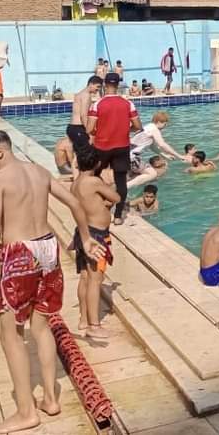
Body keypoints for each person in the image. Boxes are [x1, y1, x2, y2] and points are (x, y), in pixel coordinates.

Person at [0, 129, 98, 434]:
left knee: (10, 334)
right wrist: (85, 238)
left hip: (21, 252)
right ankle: (50, 399)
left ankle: (26, 412)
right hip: (47, 248)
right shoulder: (39, 171)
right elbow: (74, 203)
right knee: (41, 326)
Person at [71, 147, 120, 339]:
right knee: (95, 280)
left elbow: (87, 204)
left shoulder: (76, 183)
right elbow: (116, 197)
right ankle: (94, 325)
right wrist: (108, 190)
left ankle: (84, 319)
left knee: (84, 278)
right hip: (97, 236)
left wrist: (101, 202)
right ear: (97, 163)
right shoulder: (93, 182)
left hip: (82, 233)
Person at [87, 73, 141, 225]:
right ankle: (117, 216)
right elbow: (138, 126)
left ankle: (95, 207)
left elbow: (89, 129)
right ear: (118, 85)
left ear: (105, 85)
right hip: (122, 147)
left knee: (93, 176)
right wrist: (125, 130)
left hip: (102, 147)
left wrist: (99, 132)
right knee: (121, 182)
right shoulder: (128, 104)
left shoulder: (97, 104)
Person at [68, 76, 102, 149]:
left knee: (78, 152)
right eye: (98, 86)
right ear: (91, 84)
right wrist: (89, 132)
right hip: (78, 128)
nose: (98, 89)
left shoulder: (80, 94)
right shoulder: (86, 96)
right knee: (86, 152)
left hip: (71, 127)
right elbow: (83, 115)